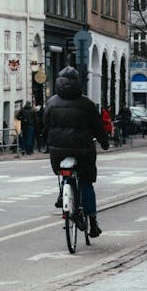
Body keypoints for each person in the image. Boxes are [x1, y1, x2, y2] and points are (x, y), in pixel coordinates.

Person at [44, 67, 109, 238]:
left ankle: (62, 194)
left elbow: (45, 125)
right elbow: (97, 126)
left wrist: (47, 142)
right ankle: (93, 222)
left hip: (57, 149)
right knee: (86, 182)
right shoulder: (86, 103)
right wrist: (104, 141)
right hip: (83, 149)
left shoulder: (51, 103)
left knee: (63, 172)